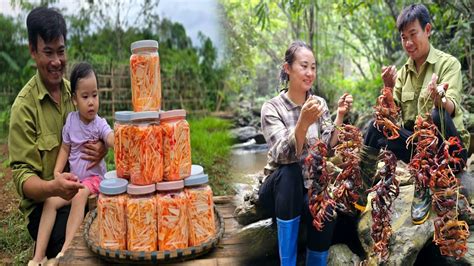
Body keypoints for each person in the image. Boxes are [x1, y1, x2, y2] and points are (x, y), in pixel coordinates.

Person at [354, 4, 469, 225]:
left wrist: (440, 97)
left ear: (427, 30)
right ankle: (360, 189)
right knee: (377, 125)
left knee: (437, 114)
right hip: (417, 149)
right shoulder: (403, 73)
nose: (408, 43)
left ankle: (424, 187)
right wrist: (388, 88)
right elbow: (391, 116)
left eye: (413, 34)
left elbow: (452, 106)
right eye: (403, 37)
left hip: (449, 150)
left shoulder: (448, 64)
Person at [8, 7, 106, 264]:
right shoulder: (24, 107)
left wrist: (103, 149)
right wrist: (53, 186)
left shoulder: (75, 93)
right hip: (45, 206)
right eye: (47, 52)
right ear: (32, 51)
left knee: (110, 219)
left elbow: (97, 128)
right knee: (85, 236)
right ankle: (45, 255)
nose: (56, 61)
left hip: (80, 190)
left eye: (60, 51)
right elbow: (23, 178)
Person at [259, 40, 353, 266]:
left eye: (313, 67)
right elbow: (282, 155)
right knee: (290, 172)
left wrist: (339, 116)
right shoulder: (272, 108)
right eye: (304, 66)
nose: (310, 72)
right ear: (287, 69)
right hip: (278, 192)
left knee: (327, 206)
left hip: (308, 189)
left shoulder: (318, 103)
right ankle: (288, 262)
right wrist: (302, 124)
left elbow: (328, 150)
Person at [29, 62, 114, 265]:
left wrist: (118, 140)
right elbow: (65, 149)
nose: (91, 102)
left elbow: (109, 137)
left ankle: (65, 250)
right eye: (85, 97)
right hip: (76, 180)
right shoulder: (71, 121)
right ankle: (38, 256)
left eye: (95, 95)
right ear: (74, 99)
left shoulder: (99, 124)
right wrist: (58, 172)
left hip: (94, 182)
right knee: (51, 201)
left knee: (80, 194)